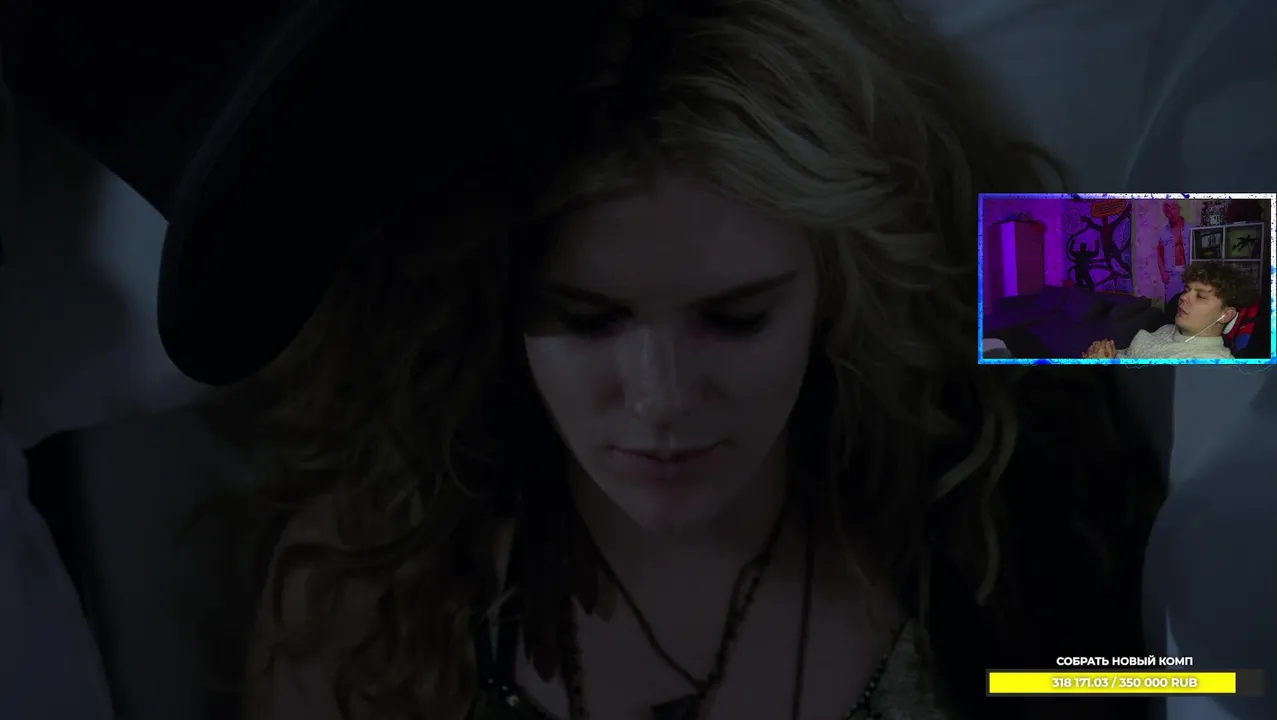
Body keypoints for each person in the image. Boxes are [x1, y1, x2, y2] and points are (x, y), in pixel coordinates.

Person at [238, 2, 1164, 720]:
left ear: (837, 291)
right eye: (587, 321)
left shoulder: (982, 485)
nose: (661, 400)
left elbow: (1224, 284)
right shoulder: (363, 576)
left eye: (736, 318)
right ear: (496, 304)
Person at [1084, 262, 1256, 361]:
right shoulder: (1167, 329)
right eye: (1187, 290)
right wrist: (1107, 353)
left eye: (1201, 296)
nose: (1183, 297)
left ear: (1226, 315)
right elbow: (1131, 356)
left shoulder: (1212, 362)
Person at [1157, 201, 1192, 306]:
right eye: (1167, 211)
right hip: (1171, 275)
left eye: (1173, 209)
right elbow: (1159, 254)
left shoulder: (1191, 229)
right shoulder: (1163, 232)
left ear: (1179, 209)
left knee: (1187, 305)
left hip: (1188, 273)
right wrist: (1162, 273)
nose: (1171, 213)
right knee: (1171, 305)